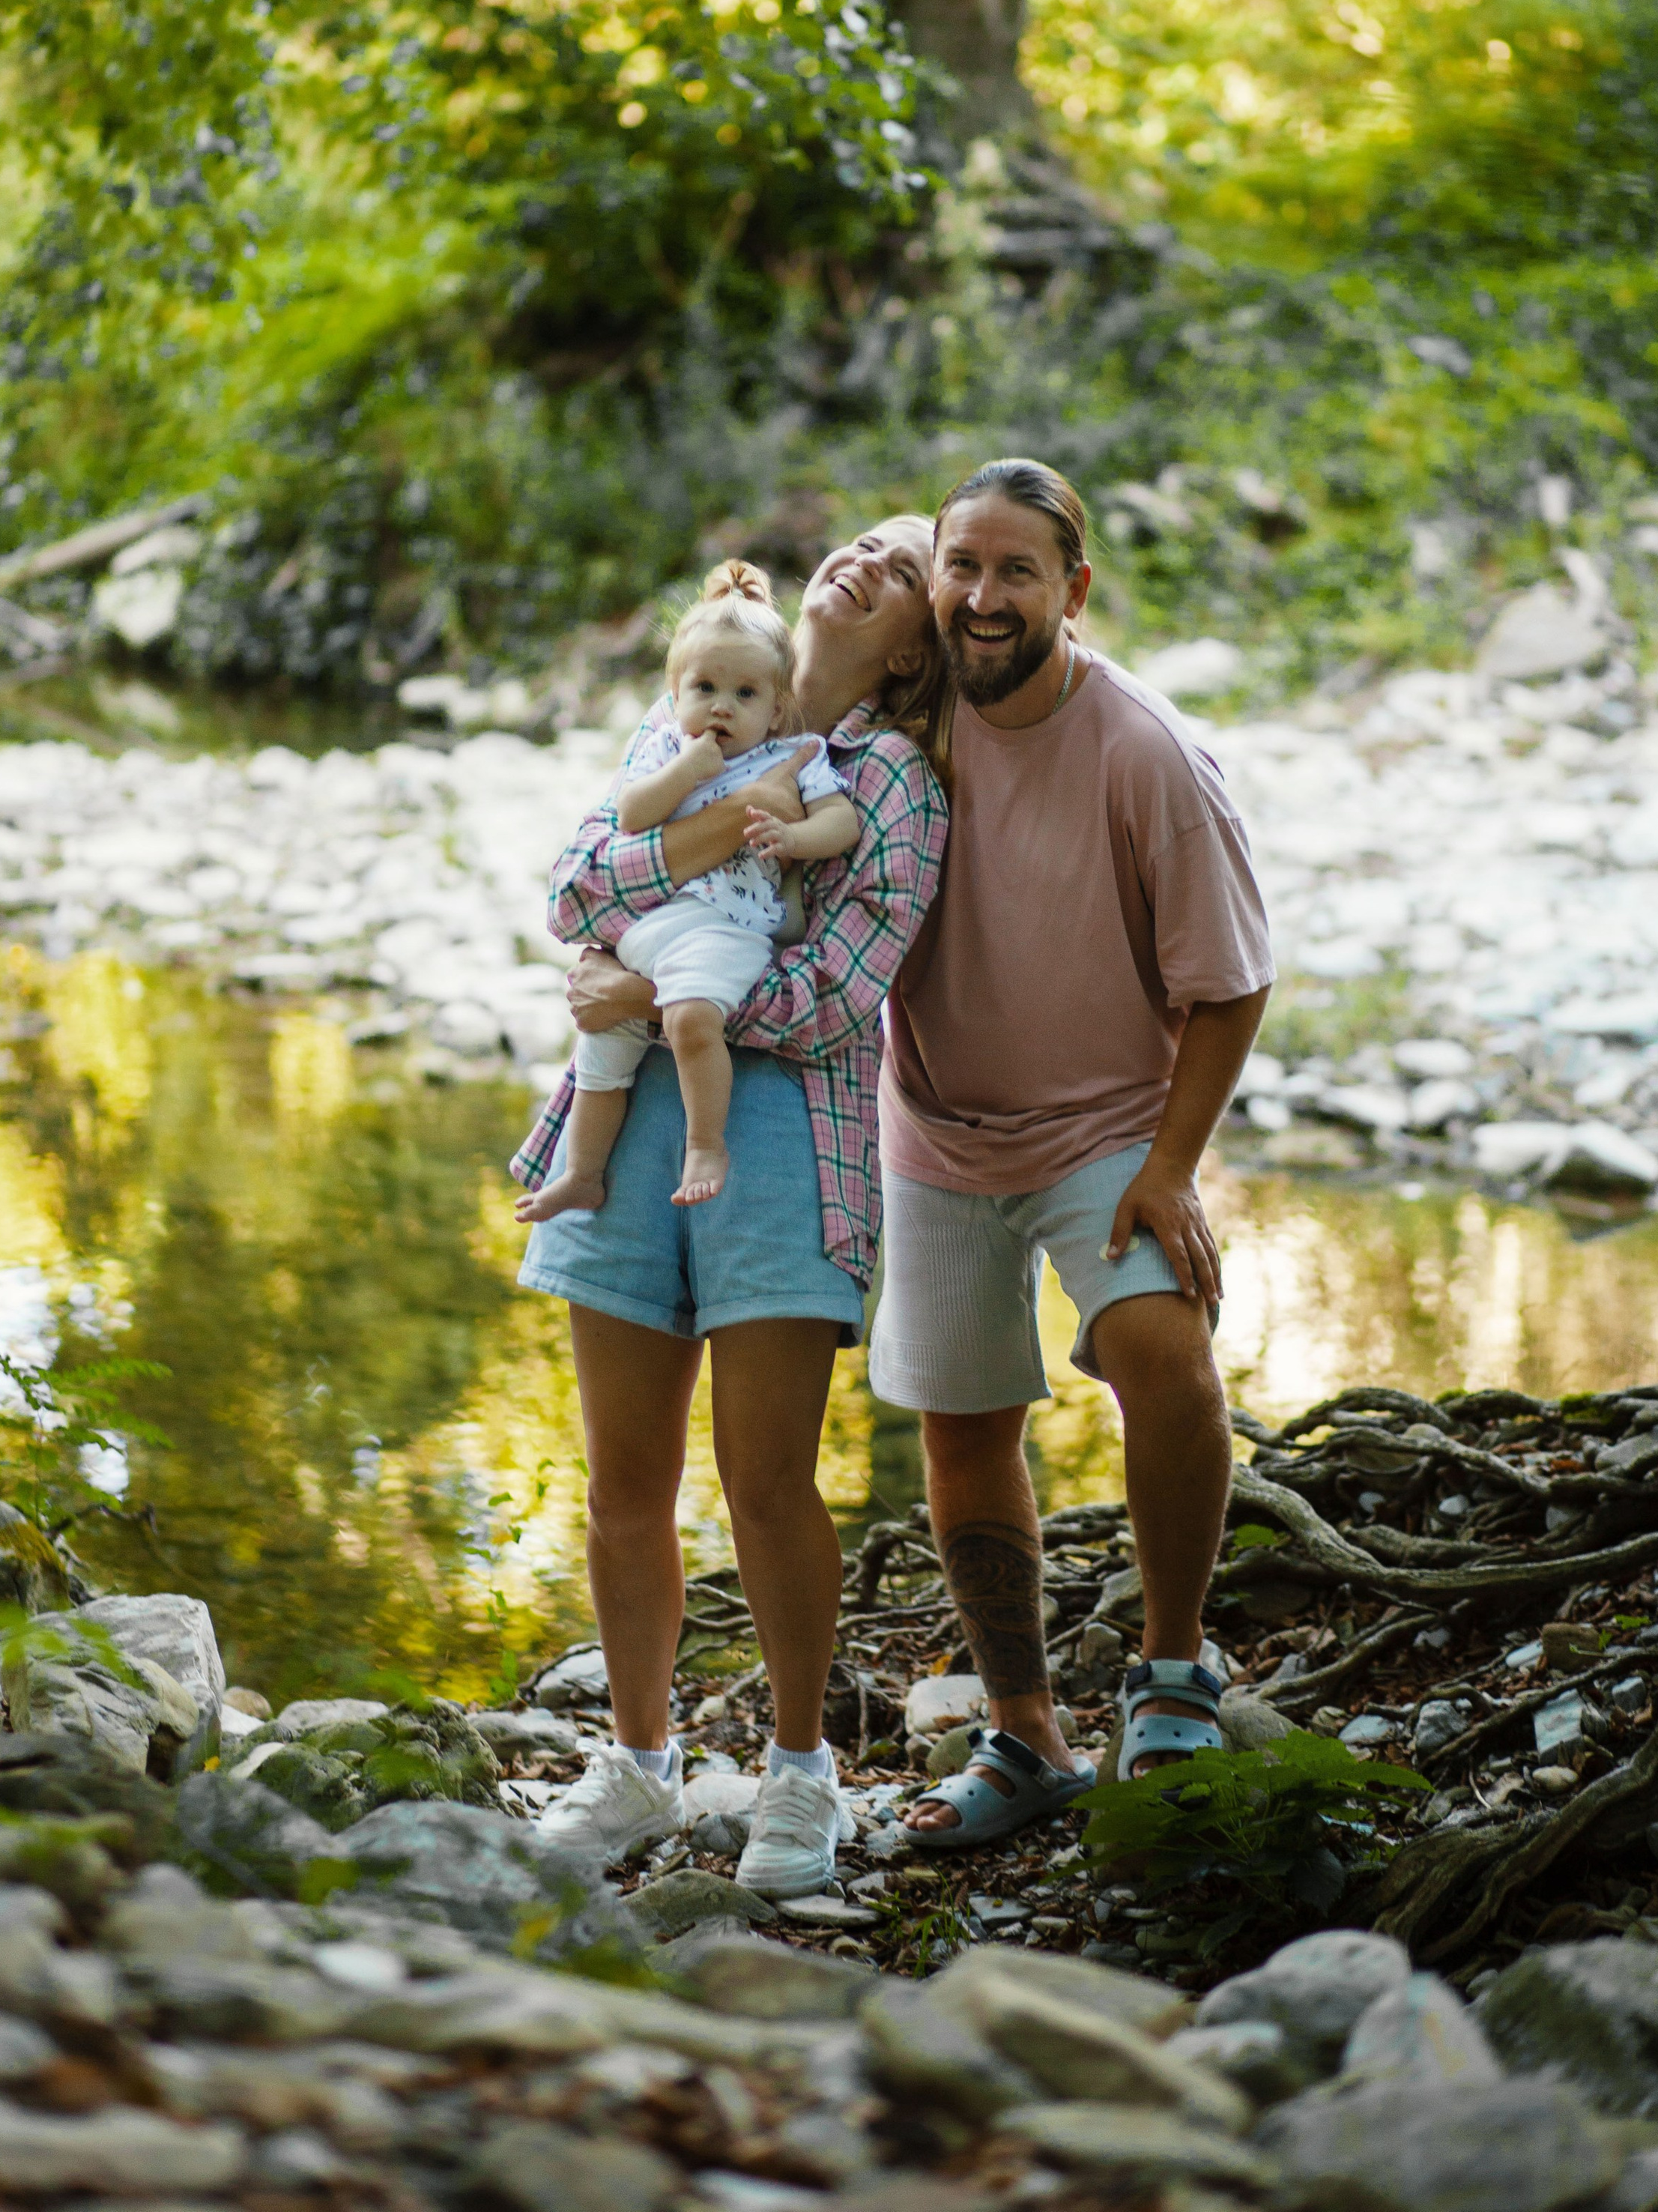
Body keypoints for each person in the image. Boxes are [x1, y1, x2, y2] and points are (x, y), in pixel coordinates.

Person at [509, 519, 948, 1895]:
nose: (867, 561)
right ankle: (639, 1764)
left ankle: (801, 1777)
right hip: (628, 1124)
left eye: (905, 566)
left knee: (767, 1483)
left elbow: (838, 990)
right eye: (865, 543)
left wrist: (651, 985)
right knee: (623, 1480)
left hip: (786, 1141)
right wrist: (697, 836)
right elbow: (579, 884)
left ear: (913, 642)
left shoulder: (896, 781)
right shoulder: (695, 705)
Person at [872, 456, 1272, 1844]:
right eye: (961, 567)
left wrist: (1169, 1168)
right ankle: (1025, 1734)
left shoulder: (1144, 753)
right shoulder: (899, 713)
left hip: (1106, 1125)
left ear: (1074, 590)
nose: (982, 598)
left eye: (1015, 571)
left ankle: (1173, 1675)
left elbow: (1229, 985)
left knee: (1162, 1353)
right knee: (967, 1427)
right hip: (931, 1131)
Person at [514, 562, 859, 1218]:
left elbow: (840, 823)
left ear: (777, 709)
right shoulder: (669, 745)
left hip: (727, 933)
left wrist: (795, 841)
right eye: (704, 688)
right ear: (675, 693)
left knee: (691, 1016)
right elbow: (632, 814)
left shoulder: (792, 757)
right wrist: (687, 770)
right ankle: (583, 1173)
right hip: (654, 927)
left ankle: (706, 1144)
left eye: (746, 694)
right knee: (602, 1049)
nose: (722, 707)